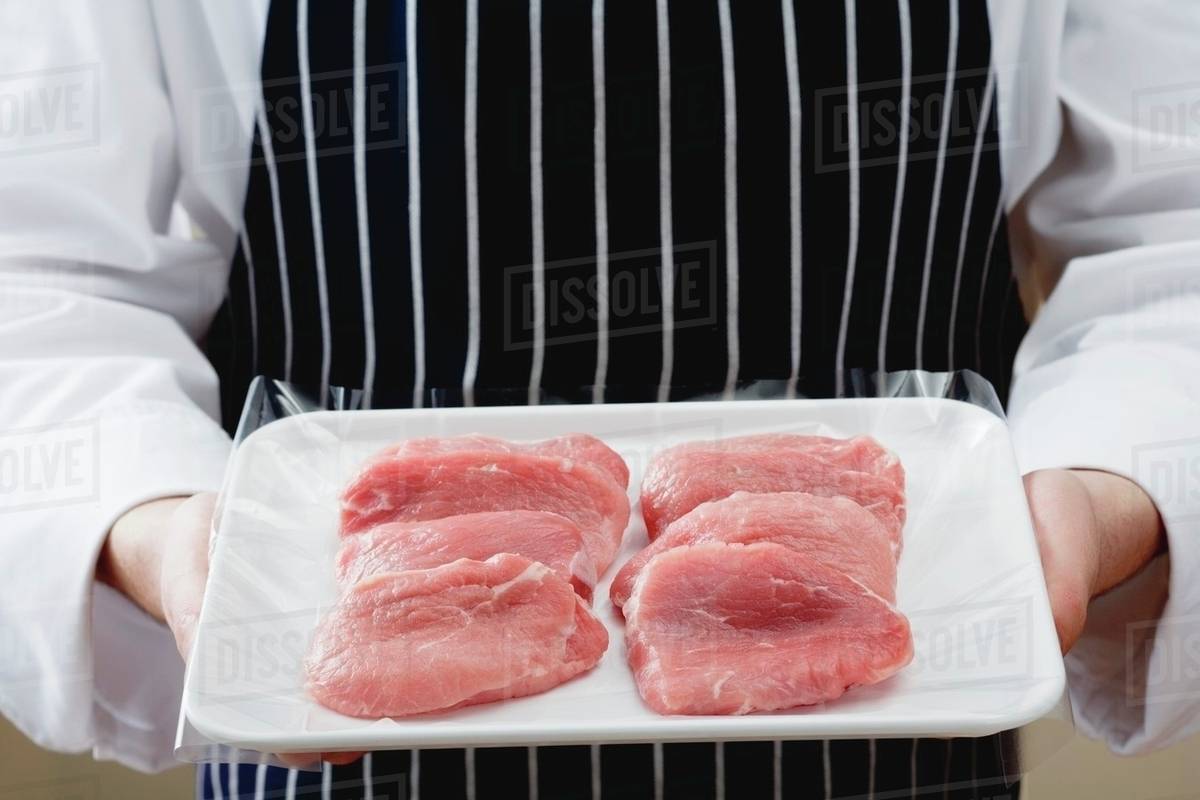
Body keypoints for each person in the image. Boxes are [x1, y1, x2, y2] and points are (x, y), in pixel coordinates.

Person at [1, 0, 1196, 797]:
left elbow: (1173, 233)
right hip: (342, 744)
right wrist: (161, 528)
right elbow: (41, 281)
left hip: (904, 737)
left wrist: (1103, 485)